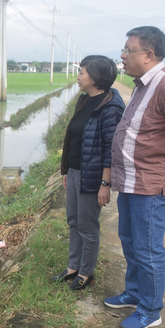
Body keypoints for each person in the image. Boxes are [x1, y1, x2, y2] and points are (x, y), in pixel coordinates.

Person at [105, 26, 165, 328]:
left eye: (128, 50)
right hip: (131, 181)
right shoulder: (142, 85)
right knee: (130, 241)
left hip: (150, 184)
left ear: (148, 55)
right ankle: (134, 293)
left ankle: (150, 309)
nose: (122, 55)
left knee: (148, 249)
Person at [52, 55, 125, 291]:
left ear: (95, 77)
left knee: (88, 225)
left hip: (92, 176)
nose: (78, 76)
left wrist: (105, 183)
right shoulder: (84, 101)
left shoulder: (111, 107)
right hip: (74, 172)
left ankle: (86, 272)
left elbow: (110, 149)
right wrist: (67, 171)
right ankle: (73, 267)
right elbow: (75, 137)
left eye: (82, 72)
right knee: (73, 221)